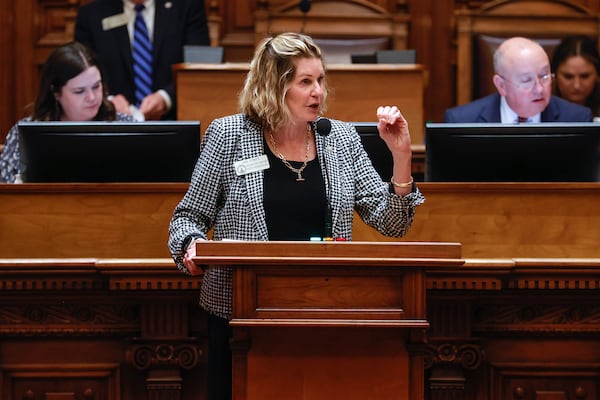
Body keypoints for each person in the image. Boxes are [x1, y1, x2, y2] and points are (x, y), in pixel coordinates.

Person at [167, 32, 425, 400]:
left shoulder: (341, 139)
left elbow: (392, 223)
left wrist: (401, 158)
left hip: (325, 310)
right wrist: (191, 245)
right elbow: (187, 217)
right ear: (273, 86)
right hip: (241, 312)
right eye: (305, 81)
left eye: (320, 80)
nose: (318, 91)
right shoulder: (230, 135)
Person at [0, 41, 134, 184]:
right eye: (79, 91)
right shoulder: (26, 133)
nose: (92, 98)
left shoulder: (125, 126)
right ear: (56, 93)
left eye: (96, 86)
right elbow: (6, 190)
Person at [74, 0, 210, 121]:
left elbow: (199, 65)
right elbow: (82, 72)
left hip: (175, 119)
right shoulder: (91, 14)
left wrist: (166, 97)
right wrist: (107, 99)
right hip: (113, 124)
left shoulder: (187, 6)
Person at [444, 36, 593, 123]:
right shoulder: (462, 121)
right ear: (501, 85)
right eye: (526, 80)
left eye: (544, 76)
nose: (540, 89)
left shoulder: (577, 119)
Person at [551, 35, 600, 119]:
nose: (576, 85)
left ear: (597, 75)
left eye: (585, 76)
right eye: (568, 76)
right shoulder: (539, 112)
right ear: (554, 75)